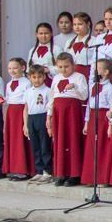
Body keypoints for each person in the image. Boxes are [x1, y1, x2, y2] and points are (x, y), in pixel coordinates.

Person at [46, 52, 88, 186]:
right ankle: (61, 172)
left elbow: (84, 95)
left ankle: (74, 174)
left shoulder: (79, 77)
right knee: (60, 141)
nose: (63, 70)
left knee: (72, 140)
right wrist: (49, 115)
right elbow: (52, 97)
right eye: (60, 67)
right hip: (58, 112)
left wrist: (75, 87)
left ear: (73, 65)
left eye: (66, 66)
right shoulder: (56, 78)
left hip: (72, 111)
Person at [80, 60, 112, 189]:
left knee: (102, 147)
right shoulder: (93, 86)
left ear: (105, 72)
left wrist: (110, 124)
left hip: (103, 118)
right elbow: (89, 105)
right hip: (92, 117)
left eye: (98, 68)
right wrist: (86, 122)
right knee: (91, 147)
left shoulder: (110, 88)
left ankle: (102, 178)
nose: (94, 71)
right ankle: (90, 177)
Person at [23, 65, 53, 183]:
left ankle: (47, 171)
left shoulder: (48, 91)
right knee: (35, 146)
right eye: (34, 77)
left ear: (44, 77)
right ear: (30, 78)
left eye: (39, 77)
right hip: (31, 118)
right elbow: (26, 108)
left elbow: (50, 107)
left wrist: (49, 122)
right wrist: (25, 125)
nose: (37, 80)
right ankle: (39, 170)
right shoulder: (28, 92)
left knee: (44, 145)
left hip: (42, 117)